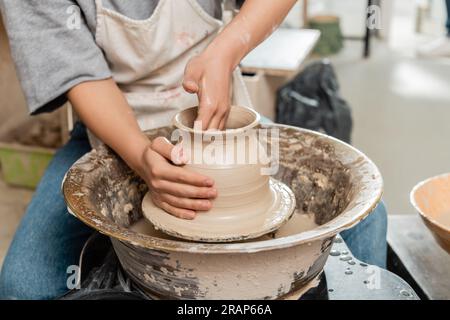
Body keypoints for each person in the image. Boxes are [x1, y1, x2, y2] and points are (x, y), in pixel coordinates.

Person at [0, 0, 387, 300]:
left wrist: (227, 50)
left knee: (367, 217)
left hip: (226, 120)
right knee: (25, 284)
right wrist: (140, 156)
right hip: (112, 133)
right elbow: (76, 72)